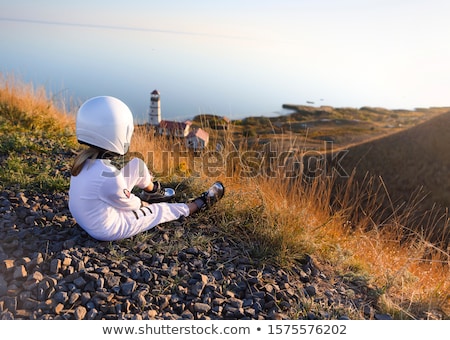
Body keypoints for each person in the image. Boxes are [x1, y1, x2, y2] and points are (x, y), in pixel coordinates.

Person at [68, 96, 224, 242]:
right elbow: (130, 204)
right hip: (107, 228)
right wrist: (144, 205)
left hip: (90, 216)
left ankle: (153, 192)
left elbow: (109, 189)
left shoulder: (84, 161)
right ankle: (198, 205)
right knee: (160, 210)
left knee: (137, 165)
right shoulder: (110, 176)